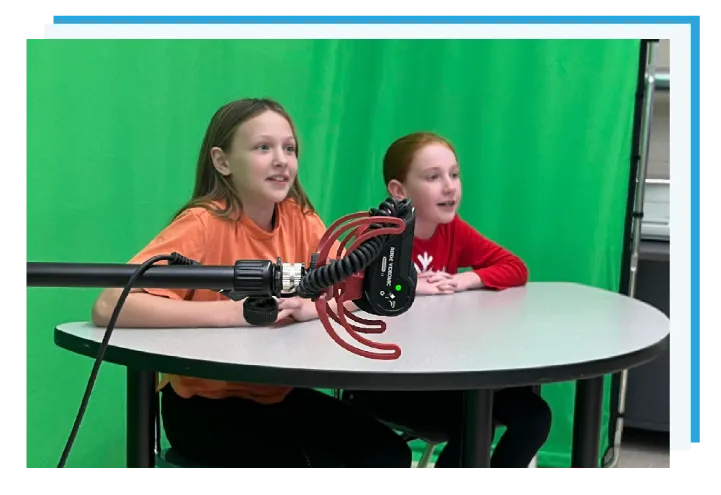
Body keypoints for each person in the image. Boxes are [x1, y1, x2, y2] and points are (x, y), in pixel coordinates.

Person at [90, 98, 412, 472]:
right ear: (222, 161)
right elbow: (109, 305)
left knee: (388, 455)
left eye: (289, 148)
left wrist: (308, 307)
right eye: (263, 147)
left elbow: (356, 289)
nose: (281, 160)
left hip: (276, 395)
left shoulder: (301, 219)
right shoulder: (202, 223)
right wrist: (240, 312)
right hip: (203, 407)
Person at [345, 131, 553, 472]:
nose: (449, 186)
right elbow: (344, 292)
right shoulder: (378, 234)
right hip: (389, 383)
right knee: (475, 422)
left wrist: (462, 280)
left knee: (534, 415)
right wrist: (408, 289)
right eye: (433, 177)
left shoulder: (453, 230)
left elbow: (516, 267)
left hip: (447, 378)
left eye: (454, 175)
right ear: (399, 191)